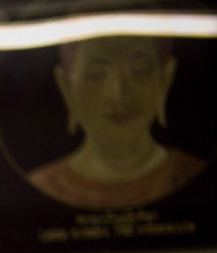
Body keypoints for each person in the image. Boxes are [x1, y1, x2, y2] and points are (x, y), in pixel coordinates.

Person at [27, 35, 206, 210]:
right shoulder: (41, 188)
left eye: (139, 69)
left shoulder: (195, 177)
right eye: (96, 74)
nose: (118, 94)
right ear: (66, 86)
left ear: (165, 78)